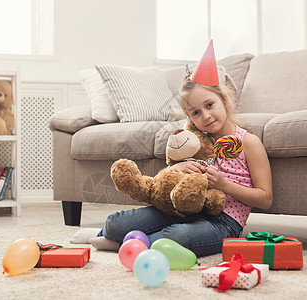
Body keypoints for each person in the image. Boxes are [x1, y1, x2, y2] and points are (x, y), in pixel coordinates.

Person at [70, 40, 273, 256]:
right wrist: (175, 170)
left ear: (223, 99)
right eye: (195, 112)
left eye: (209, 105)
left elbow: (265, 198)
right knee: (115, 222)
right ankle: (110, 233)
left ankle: (123, 244)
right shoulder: (193, 142)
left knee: (176, 237)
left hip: (224, 223)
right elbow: (162, 179)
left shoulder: (248, 142)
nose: (205, 116)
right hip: (182, 210)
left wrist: (224, 185)